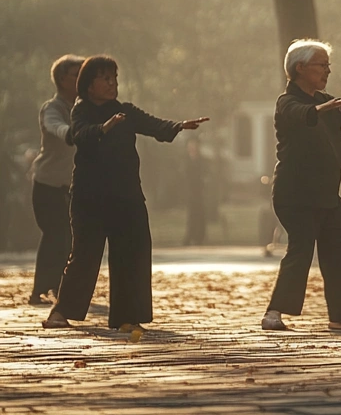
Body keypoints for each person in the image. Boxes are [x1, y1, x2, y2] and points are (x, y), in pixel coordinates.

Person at [42, 56, 208, 332]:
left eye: (115, 78)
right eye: (105, 78)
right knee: (85, 255)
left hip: (127, 195)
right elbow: (79, 135)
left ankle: (127, 318)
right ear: (89, 84)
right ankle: (61, 312)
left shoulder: (125, 111)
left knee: (133, 254)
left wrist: (178, 126)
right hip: (90, 197)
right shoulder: (80, 111)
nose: (112, 83)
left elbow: (153, 125)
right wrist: (103, 128)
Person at [262, 39, 341, 333]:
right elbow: (301, 114)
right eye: (322, 65)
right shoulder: (288, 102)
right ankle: (274, 312)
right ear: (300, 68)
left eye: (327, 65)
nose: (328, 71)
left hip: (327, 195)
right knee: (301, 248)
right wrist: (319, 110)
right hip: (294, 194)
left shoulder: (326, 101)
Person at [27, 55, 84, 305]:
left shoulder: (85, 108)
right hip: (48, 184)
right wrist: (70, 133)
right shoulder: (53, 108)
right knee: (55, 234)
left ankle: (56, 287)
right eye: (77, 74)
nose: (82, 79)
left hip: (72, 185)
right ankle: (44, 288)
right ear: (63, 79)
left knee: (67, 236)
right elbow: (55, 126)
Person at [182, 138, 208, 246]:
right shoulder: (186, 160)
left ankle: (200, 236)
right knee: (191, 214)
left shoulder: (201, 160)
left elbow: (206, 174)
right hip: (190, 191)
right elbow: (184, 175)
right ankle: (190, 236)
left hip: (200, 191)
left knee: (200, 213)